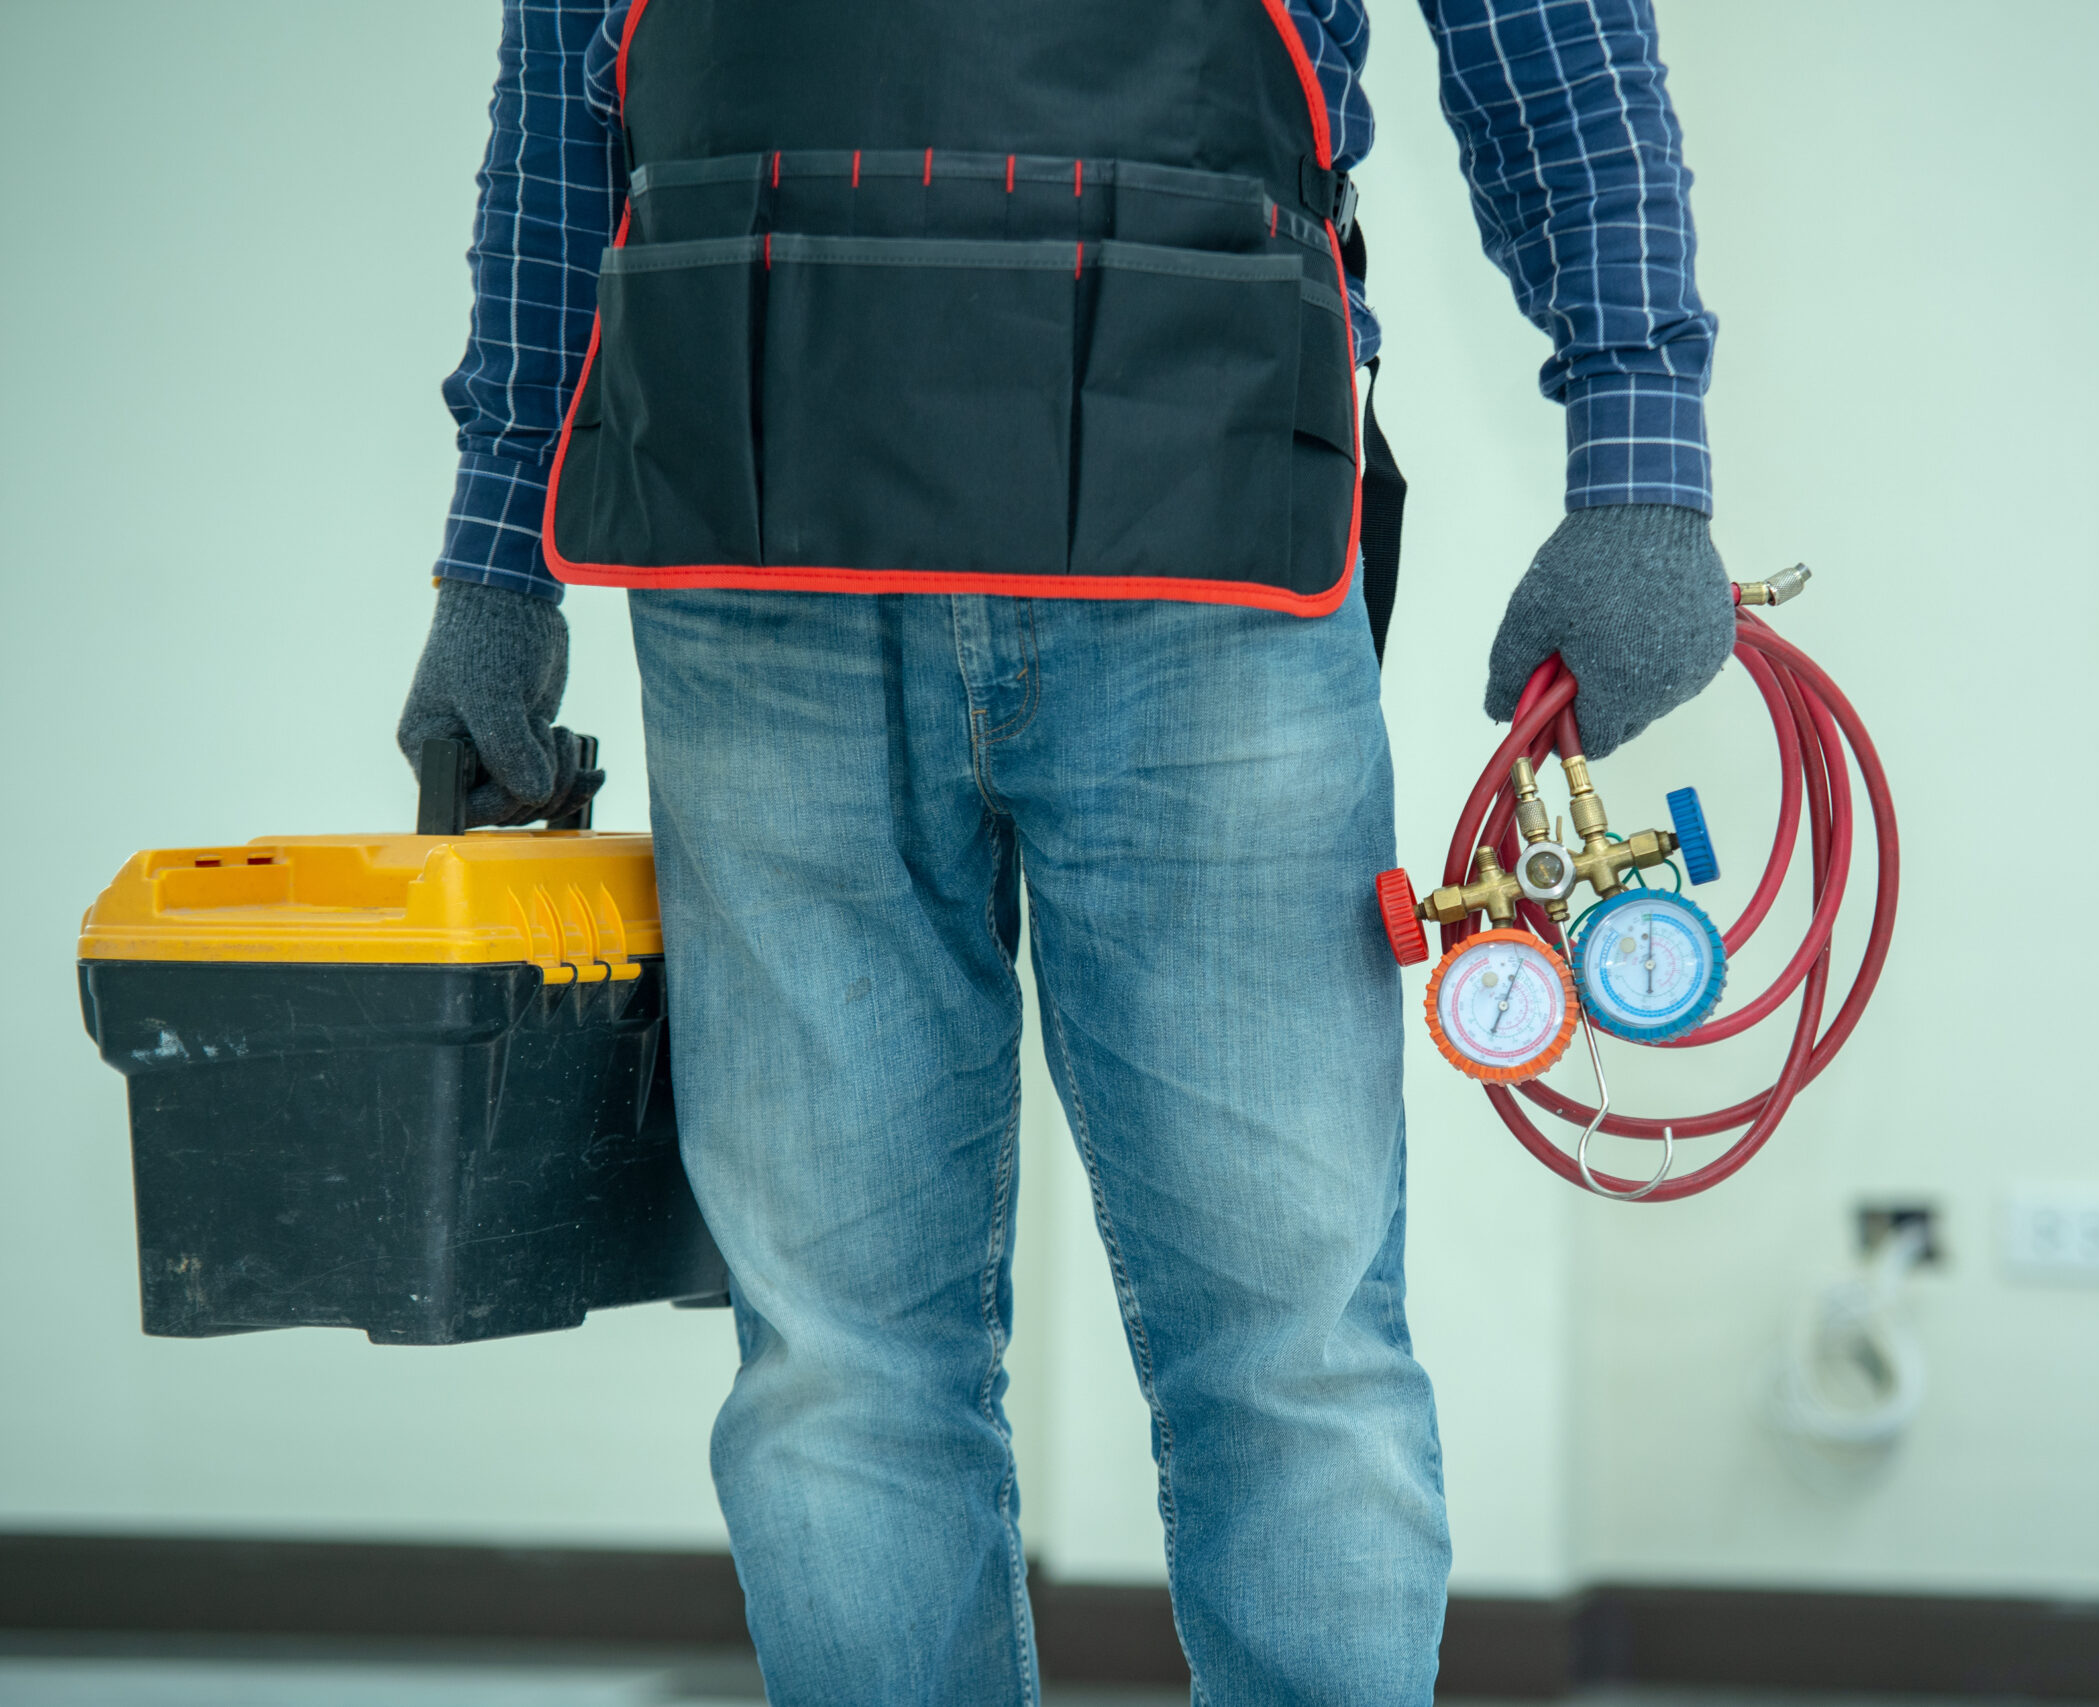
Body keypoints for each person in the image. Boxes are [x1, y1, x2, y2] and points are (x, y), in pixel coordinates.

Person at [397, 1, 1729, 1700]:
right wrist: (494, 551)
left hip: (1197, 549)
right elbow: (565, 81)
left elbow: (1547, 35)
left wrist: (1641, 459)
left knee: (1282, 1345)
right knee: (842, 1365)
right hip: (769, 568)